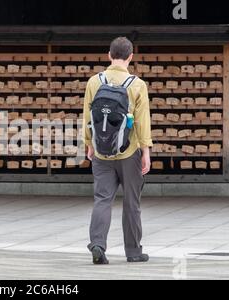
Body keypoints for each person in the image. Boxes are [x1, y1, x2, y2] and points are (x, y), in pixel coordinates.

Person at [82, 37, 153, 264]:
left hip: (101, 153)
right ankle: (133, 252)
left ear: (108, 55)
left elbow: (86, 117)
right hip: (129, 152)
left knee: (102, 199)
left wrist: (89, 144)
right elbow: (143, 122)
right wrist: (146, 151)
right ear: (131, 57)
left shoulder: (94, 81)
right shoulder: (137, 84)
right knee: (132, 202)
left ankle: (98, 244)